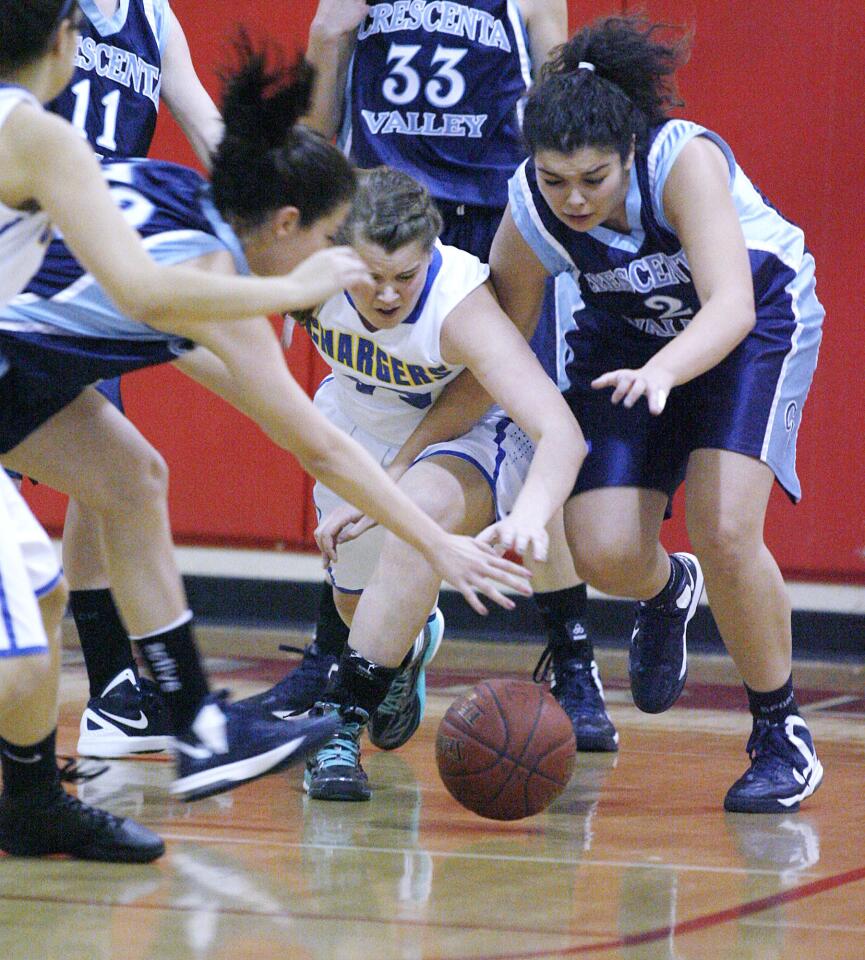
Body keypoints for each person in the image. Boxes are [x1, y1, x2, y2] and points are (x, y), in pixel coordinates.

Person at [0, 9, 530, 819]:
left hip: (21, 368)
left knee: (133, 477)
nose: (336, 267)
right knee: (25, 632)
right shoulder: (227, 285)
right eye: (327, 241)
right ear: (286, 226)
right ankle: (164, 739)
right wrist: (436, 545)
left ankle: (193, 726)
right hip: (15, 357)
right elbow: (321, 448)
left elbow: (235, 383)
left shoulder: (181, 194)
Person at [248, 0, 618, 755]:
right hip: (379, 219)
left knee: (522, 430)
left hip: (489, 224)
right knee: (360, 418)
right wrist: (327, 33)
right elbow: (318, 122)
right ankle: (342, 653)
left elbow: (556, 108)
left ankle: (573, 658)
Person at [487, 15, 825, 813]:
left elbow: (731, 306)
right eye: (554, 179)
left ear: (628, 153)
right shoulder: (527, 212)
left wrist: (664, 372)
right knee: (602, 550)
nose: (571, 197)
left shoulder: (685, 161)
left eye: (592, 180)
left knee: (726, 526)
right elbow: (498, 336)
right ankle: (668, 589)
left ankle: (780, 731)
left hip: (749, 328)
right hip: (622, 344)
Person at [276, 166, 584, 800]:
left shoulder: (458, 305)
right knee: (359, 607)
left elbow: (563, 432)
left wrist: (530, 514)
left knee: (422, 510)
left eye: (404, 276)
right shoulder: (303, 276)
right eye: (372, 277)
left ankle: (337, 728)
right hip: (359, 422)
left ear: (430, 255)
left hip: (469, 436)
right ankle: (407, 645)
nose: (388, 296)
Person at [40, 0, 224, 760]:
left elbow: (209, 127)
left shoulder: (155, 16)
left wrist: (268, 197)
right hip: (25, 255)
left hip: (97, 273)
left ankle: (115, 688)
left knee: (114, 475)